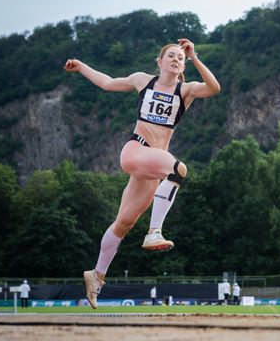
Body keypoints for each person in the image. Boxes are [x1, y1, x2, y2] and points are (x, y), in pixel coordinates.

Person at [64, 38, 221, 309]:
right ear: (159, 62)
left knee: (123, 223)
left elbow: (214, 87)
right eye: (170, 56)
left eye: (179, 58)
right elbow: (107, 82)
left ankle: (97, 275)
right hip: (136, 150)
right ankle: (155, 231)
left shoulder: (187, 90)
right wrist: (81, 67)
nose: (175, 59)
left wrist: (195, 57)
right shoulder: (143, 81)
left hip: (152, 167)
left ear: (183, 66)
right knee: (178, 169)